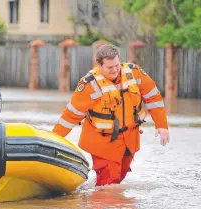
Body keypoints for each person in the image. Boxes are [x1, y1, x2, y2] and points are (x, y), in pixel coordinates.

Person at [52, 44, 170, 186]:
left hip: (129, 141)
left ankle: (100, 203)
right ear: (99, 65)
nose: (115, 70)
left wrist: (162, 125)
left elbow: (153, 98)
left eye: (117, 65)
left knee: (118, 180)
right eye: (110, 67)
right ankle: (101, 206)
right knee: (109, 184)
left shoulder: (134, 73)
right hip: (103, 143)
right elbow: (70, 115)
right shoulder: (89, 85)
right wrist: (54, 139)